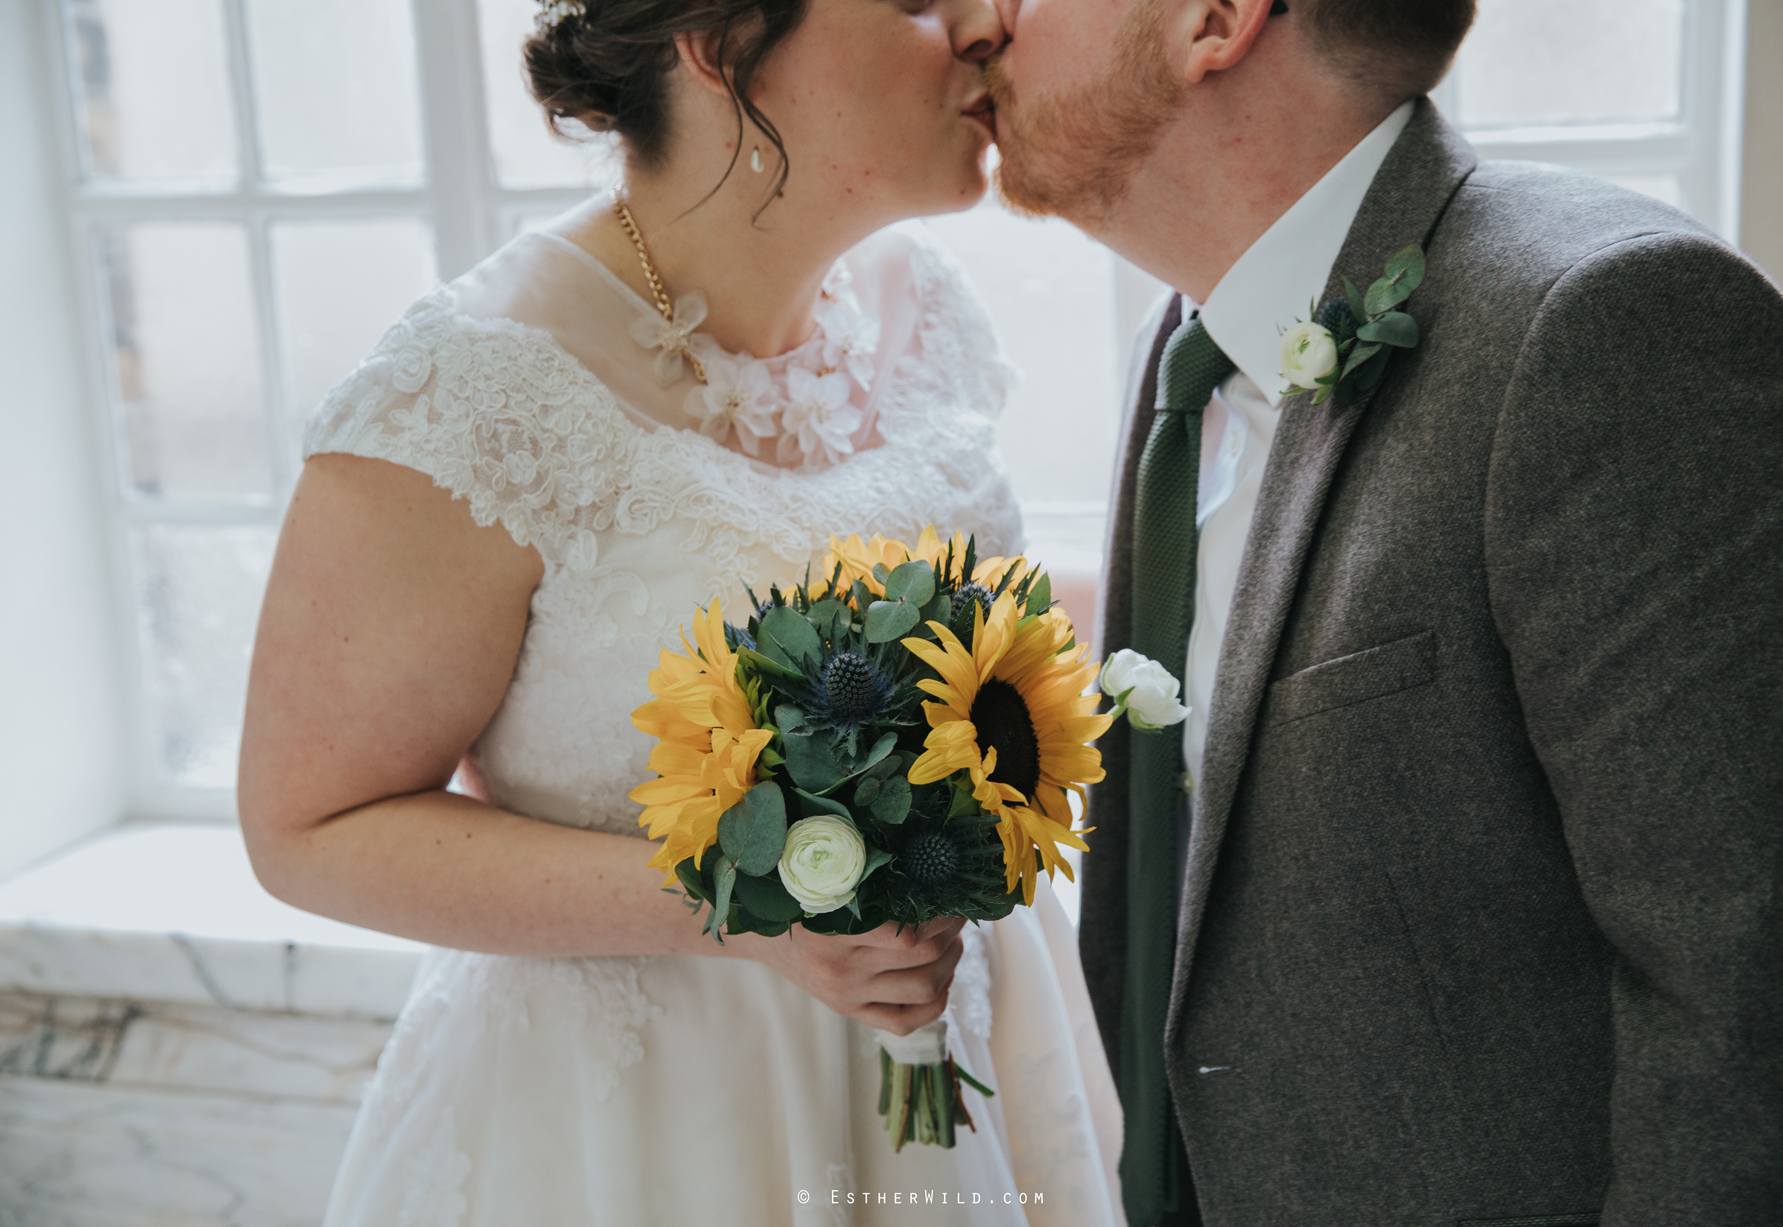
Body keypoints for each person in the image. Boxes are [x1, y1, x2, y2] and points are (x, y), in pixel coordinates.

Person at [236, 1, 1125, 1222]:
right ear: (719, 38)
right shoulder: (463, 400)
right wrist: (748, 910)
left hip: (974, 1063)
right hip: (645, 1131)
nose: (988, 18)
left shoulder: (924, 305)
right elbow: (310, 827)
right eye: (918, 0)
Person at [983, 0, 1783, 1223]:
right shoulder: (1186, 353)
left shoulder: (1611, 325)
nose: (982, 16)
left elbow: (1764, 1002)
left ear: (1214, 21)